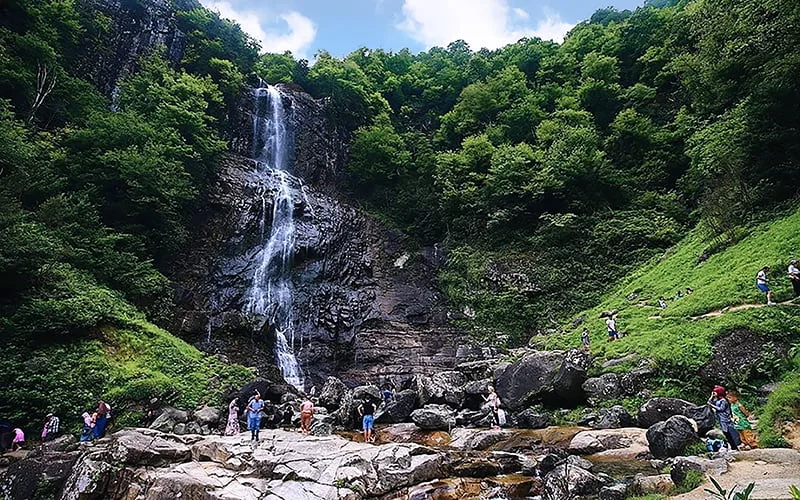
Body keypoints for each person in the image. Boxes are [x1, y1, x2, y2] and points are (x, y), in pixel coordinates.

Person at [707, 386, 740, 451]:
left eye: (715, 392)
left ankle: (734, 447)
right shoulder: (717, 400)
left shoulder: (723, 400)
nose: (714, 393)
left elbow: (721, 409)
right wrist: (711, 396)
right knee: (726, 433)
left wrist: (712, 406)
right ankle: (733, 447)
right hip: (721, 419)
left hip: (725, 419)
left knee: (728, 433)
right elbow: (709, 402)